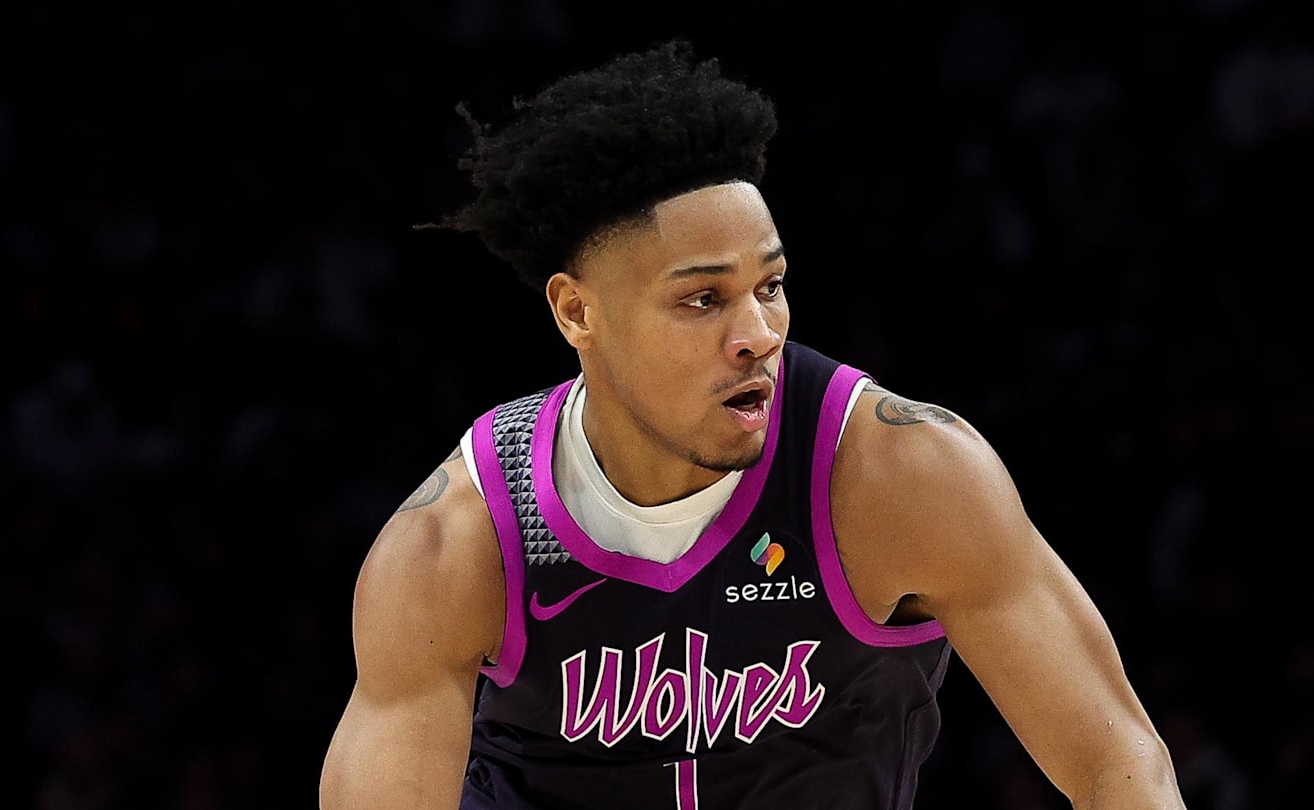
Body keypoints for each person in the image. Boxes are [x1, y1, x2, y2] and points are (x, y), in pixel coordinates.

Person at [318, 39, 1187, 809]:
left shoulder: (899, 474)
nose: (760, 334)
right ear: (577, 312)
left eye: (769, 286)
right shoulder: (460, 540)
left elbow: (1117, 763)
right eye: (703, 299)